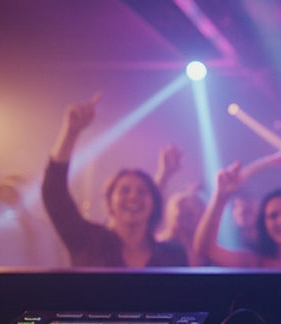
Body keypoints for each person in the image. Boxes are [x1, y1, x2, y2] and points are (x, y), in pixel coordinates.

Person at [42, 93, 187, 267]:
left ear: (154, 204)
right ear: (110, 204)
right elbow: (54, 193)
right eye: (124, 190)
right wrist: (70, 133)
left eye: (142, 191)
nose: (133, 196)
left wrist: (164, 176)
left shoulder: (173, 255)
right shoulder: (87, 242)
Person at [193, 150, 281, 269]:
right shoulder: (253, 262)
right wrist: (220, 197)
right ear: (263, 223)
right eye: (273, 216)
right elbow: (205, 248)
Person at [157, 184, 207, 266]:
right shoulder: (160, 246)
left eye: (189, 214)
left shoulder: (209, 248)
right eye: (182, 215)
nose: (186, 221)